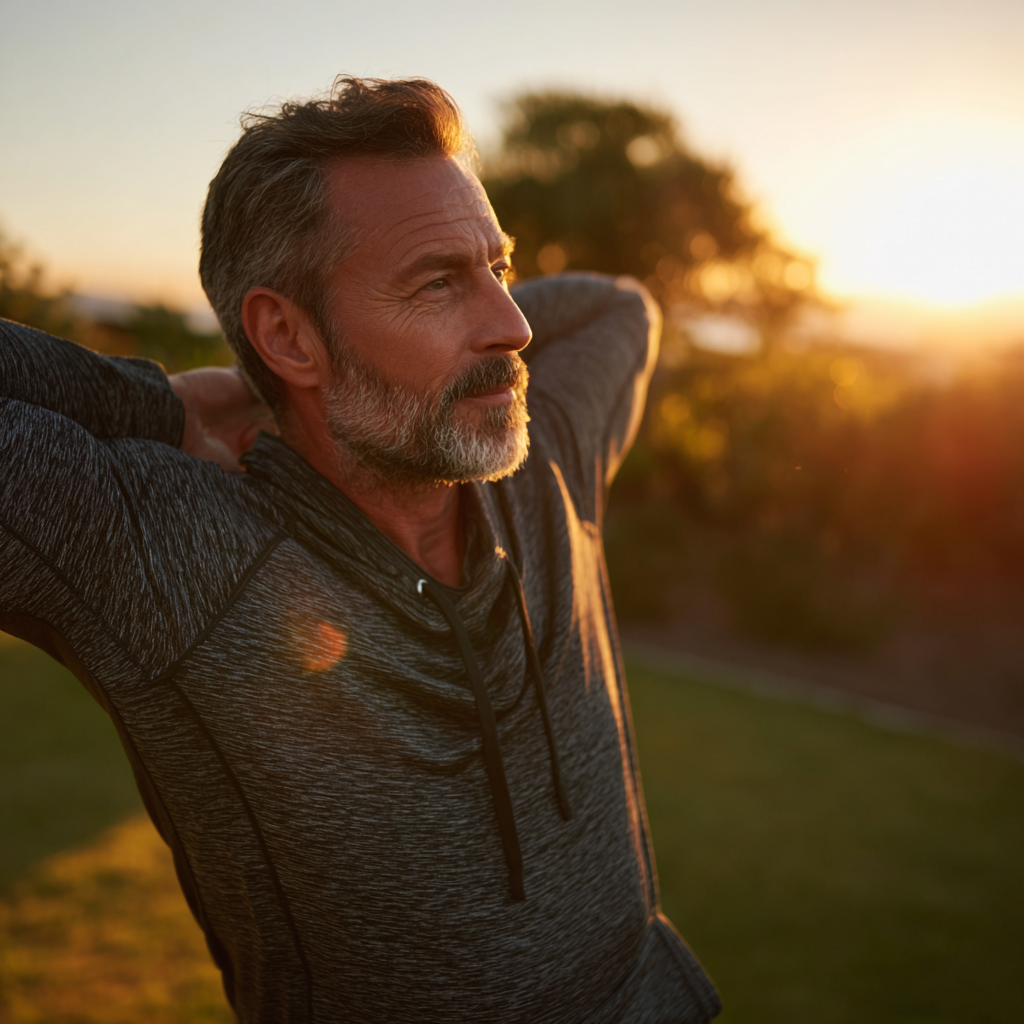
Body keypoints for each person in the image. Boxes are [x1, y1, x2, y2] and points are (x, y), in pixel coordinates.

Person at [0, 77, 720, 1023]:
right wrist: (155, 406)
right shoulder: (165, 553)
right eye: (435, 283)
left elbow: (618, 308)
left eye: (497, 269)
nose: (514, 327)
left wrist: (442, 295)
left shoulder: (546, 461)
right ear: (288, 335)